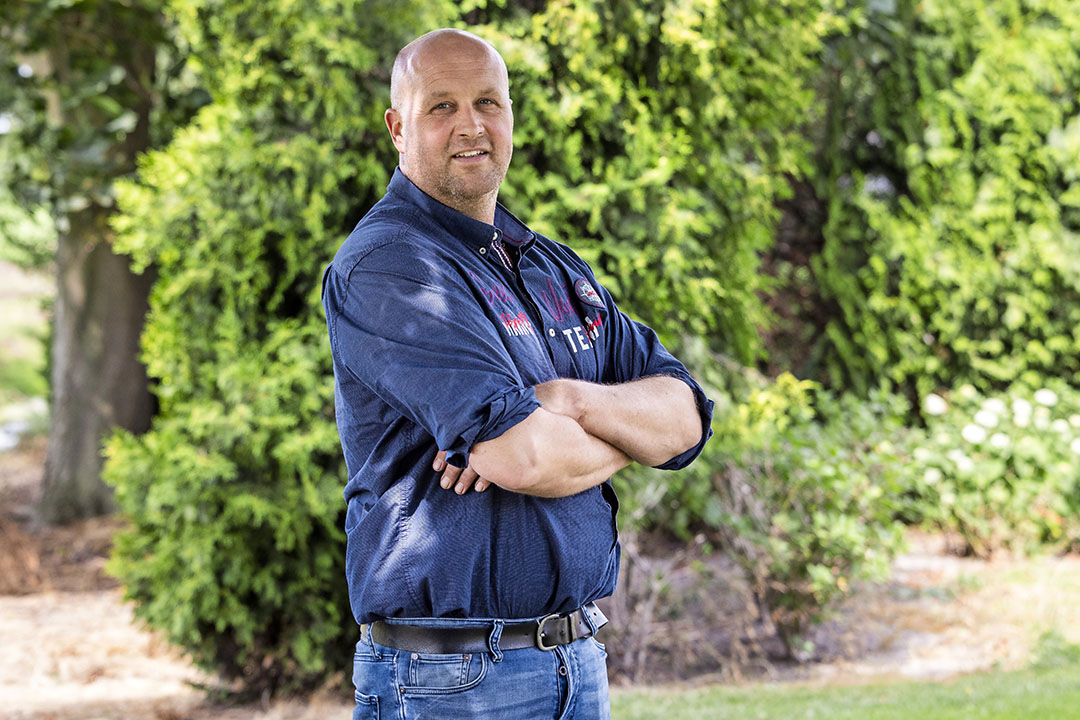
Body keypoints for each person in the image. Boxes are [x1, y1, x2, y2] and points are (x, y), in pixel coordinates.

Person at [321, 27, 714, 720]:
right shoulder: (391, 267)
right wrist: (625, 432)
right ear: (397, 126)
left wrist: (569, 400)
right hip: (449, 681)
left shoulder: (553, 268)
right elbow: (526, 455)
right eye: (441, 107)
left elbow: (684, 419)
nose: (470, 126)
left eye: (488, 102)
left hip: (576, 660)